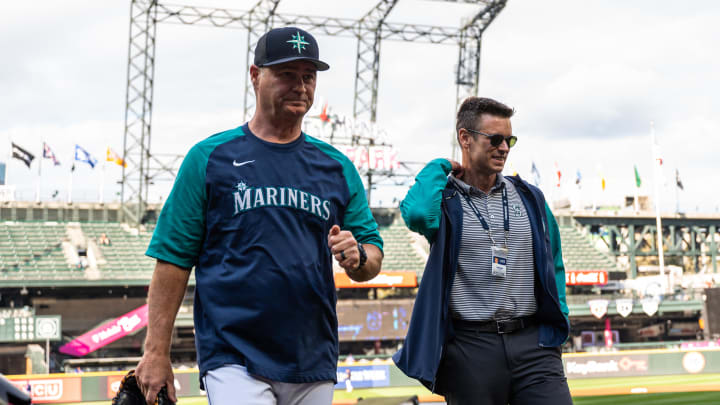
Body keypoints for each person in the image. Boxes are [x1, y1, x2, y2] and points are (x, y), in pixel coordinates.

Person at [135, 26, 384, 405]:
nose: (300, 86)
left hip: (311, 354)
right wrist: (155, 352)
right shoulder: (209, 158)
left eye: (308, 76)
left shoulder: (337, 167)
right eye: (286, 74)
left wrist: (359, 256)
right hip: (234, 353)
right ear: (255, 76)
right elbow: (173, 259)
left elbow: (372, 258)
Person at [393, 97, 571, 405]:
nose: (504, 148)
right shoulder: (445, 201)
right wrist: (440, 166)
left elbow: (553, 260)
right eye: (495, 139)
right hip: (470, 347)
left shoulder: (530, 197)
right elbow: (418, 214)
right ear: (465, 138)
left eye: (509, 140)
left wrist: (560, 317)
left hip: (533, 345)